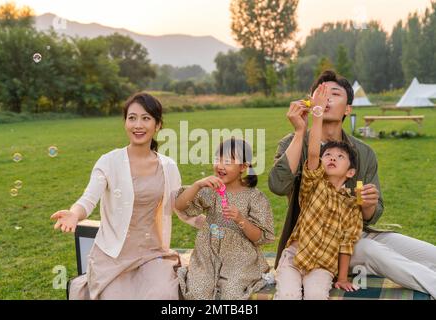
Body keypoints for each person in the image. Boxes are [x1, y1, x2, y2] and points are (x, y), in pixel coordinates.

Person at [269, 70, 436, 299]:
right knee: (372, 250)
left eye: (334, 93)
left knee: (428, 253)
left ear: (348, 109)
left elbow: (371, 216)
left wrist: (368, 204)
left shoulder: (363, 153)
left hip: (357, 232)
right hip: (319, 245)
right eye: (320, 93)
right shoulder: (294, 143)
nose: (325, 98)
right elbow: (277, 185)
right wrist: (300, 132)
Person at [50, 92, 204, 300]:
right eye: (132, 118)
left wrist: (212, 222)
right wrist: (74, 213)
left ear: (158, 125)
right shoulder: (108, 162)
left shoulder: (168, 166)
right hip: (113, 256)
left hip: (153, 254)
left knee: (162, 294)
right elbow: (88, 198)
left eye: (146, 118)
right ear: (125, 123)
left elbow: (179, 205)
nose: (137, 125)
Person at [274, 83, 363, 300]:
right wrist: (317, 114)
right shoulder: (314, 185)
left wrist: (342, 277)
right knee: (287, 294)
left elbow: (346, 244)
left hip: (323, 265)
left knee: (316, 296)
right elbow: (313, 154)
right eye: (329, 155)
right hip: (294, 257)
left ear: (350, 173)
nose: (332, 157)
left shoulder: (351, 206)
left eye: (339, 157)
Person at [175, 137, 275, 300]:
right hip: (207, 255)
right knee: (199, 292)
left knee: (232, 292)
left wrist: (241, 219)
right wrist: (197, 185)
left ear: (243, 167)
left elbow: (259, 237)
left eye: (227, 161)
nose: (220, 165)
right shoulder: (210, 191)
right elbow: (180, 206)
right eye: (217, 159)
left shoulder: (254, 197)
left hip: (239, 258)